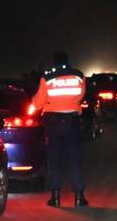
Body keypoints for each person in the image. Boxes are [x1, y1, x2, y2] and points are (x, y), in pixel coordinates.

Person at [29, 51, 88, 207]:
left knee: (54, 160)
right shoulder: (79, 75)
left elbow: (38, 102)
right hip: (72, 121)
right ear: (68, 61)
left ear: (54, 62)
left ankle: (55, 198)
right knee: (75, 159)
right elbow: (81, 95)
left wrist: (35, 103)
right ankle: (79, 198)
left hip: (53, 123)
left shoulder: (47, 78)